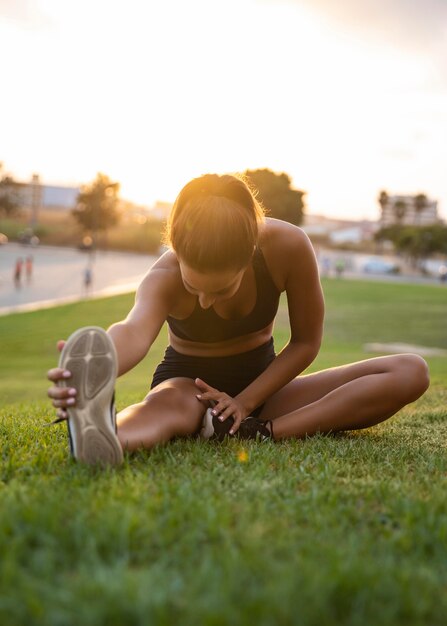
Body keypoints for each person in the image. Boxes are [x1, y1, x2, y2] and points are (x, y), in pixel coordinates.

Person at [47, 174, 429, 465]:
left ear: (250, 253)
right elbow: (133, 330)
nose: (206, 302)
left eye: (220, 289)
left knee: (410, 371)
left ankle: (260, 434)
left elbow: (306, 342)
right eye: (193, 287)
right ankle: (104, 436)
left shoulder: (288, 248)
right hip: (188, 387)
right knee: (162, 409)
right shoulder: (162, 278)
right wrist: (97, 366)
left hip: (264, 391)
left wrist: (245, 405)